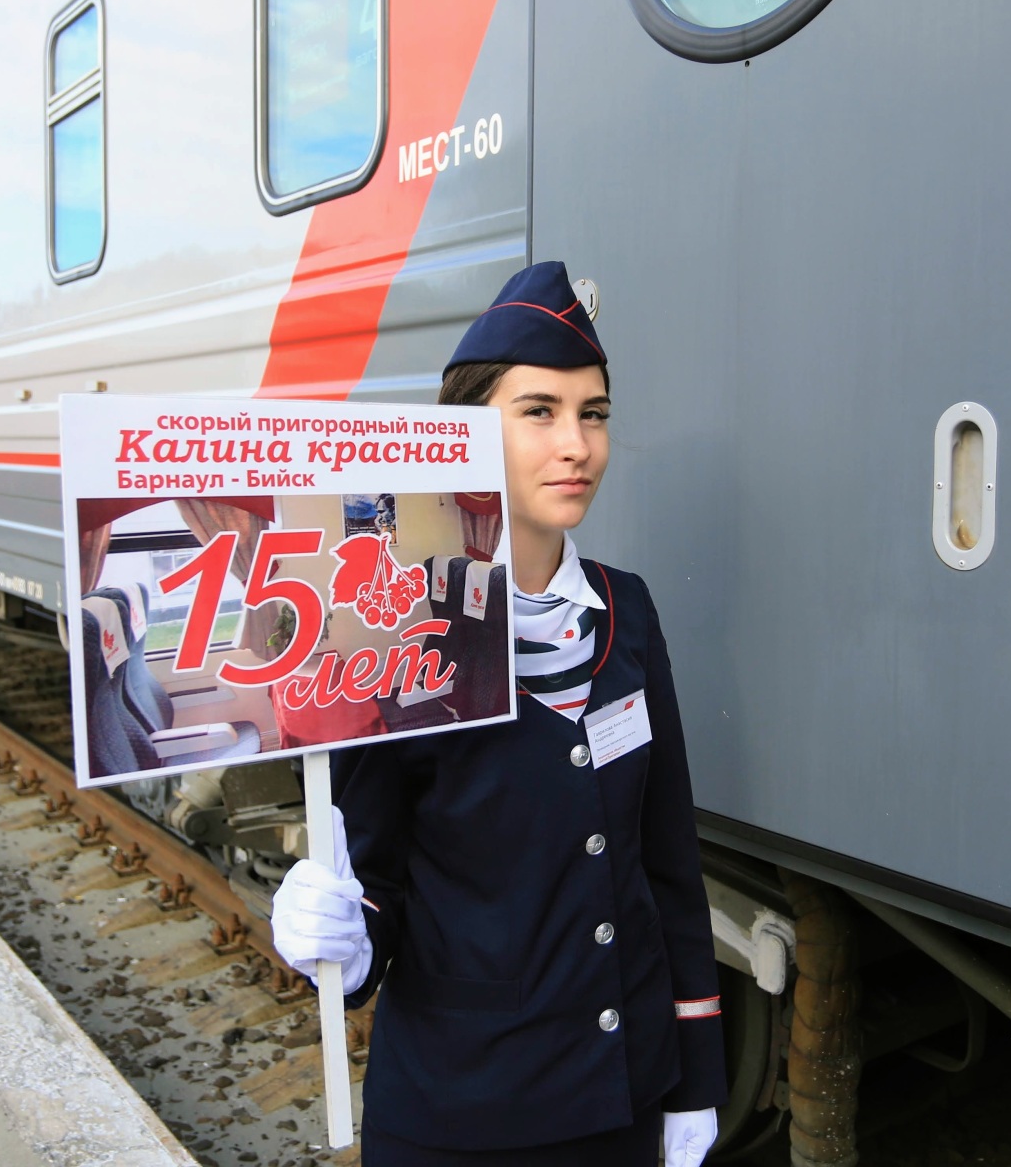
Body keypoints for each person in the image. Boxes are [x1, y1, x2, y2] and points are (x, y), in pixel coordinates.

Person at [269, 262, 726, 1165]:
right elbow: (377, 882)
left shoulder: (628, 611)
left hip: (625, 1100)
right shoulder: (403, 635)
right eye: (540, 412)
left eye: (594, 413)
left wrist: (696, 1078)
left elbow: (669, 864)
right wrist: (341, 942)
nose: (577, 445)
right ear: (466, 434)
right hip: (462, 1121)